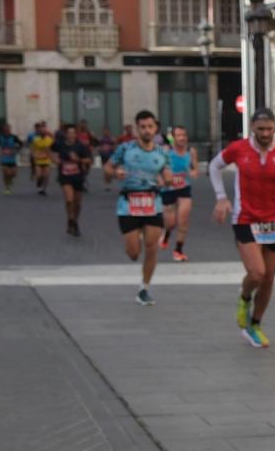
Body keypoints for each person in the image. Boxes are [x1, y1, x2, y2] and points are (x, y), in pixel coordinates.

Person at [209, 108, 275, 349]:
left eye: (270, 129)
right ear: (252, 128)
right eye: (261, 129)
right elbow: (214, 166)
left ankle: (255, 324)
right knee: (257, 273)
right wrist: (221, 197)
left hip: (274, 220)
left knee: (269, 277)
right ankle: (244, 299)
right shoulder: (239, 148)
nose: (265, 134)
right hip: (245, 218)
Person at [105, 110, 176, 306]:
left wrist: (168, 179)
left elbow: (167, 173)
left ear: (156, 129)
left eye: (150, 127)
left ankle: (144, 288)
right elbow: (107, 167)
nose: (146, 130)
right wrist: (115, 172)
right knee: (134, 253)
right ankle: (135, 240)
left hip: (153, 204)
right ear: (137, 129)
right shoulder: (125, 149)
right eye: (143, 127)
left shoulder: (162, 152)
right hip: (128, 205)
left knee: (152, 248)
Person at [160, 125, 198, 262]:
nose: (182, 138)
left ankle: (178, 250)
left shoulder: (191, 151)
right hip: (168, 189)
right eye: (179, 135)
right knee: (171, 222)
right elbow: (159, 169)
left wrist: (192, 172)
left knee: (183, 219)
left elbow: (195, 169)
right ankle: (166, 233)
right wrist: (163, 178)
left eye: (184, 135)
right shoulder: (166, 151)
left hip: (184, 188)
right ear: (173, 138)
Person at [52, 122, 93, 237]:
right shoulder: (60, 144)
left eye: (73, 133)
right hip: (65, 176)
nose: (71, 135)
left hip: (78, 177)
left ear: (76, 134)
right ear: (66, 134)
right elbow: (49, 150)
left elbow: (89, 160)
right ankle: (71, 219)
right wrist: (54, 159)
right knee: (69, 199)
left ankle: (74, 221)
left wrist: (78, 159)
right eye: (69, 133)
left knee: (78, 203)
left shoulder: (81, 146)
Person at [0, 123, 22, 195]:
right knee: (6, 173)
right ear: (3, 130)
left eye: (9, 129)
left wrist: (15, 149)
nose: (8, 131)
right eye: (6, 129)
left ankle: (10, 180)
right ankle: (7, 188)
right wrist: (1, 150)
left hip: (12, 158)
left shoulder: (14, 137)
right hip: (4, 158)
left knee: (14, 174)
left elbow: (21, 144)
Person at [29, 120, 55, 195]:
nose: (43, 132)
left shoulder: (50, 140)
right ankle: (39, 186)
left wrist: (53, 157)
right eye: (41, 131)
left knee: (46, 176)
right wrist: (34, 155)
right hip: (38, 160)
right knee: (39, 175)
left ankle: (44, 189)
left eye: (44, 131)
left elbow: (54, 147)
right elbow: (32, 149)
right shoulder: (35, 140)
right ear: (39, 132)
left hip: (47, 160)